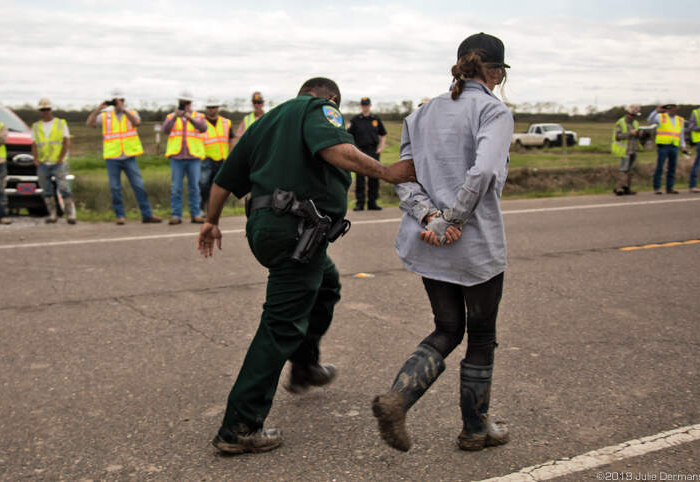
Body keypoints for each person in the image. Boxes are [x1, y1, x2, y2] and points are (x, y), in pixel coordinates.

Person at [197, 77, 416, 454]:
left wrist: (211, 221)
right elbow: (334, 148)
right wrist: (387, 172)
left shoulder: (264, 123)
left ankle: (305, 365)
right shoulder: (318, 108)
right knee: (280, 324)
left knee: (326, 283)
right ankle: (239, 426)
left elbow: (224, 180)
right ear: (331, 99)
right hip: (296, 230)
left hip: (268, 229)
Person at [371, 32, 512, 453]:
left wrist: (430, 218)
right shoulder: (494, 112)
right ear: (497, 73)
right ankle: (475, 429)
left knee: (448, 327)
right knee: (481, 335)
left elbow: (405, 176)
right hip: (474, 244)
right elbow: (483, 173)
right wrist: (453, 218)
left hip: (430, 240)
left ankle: (398, 399)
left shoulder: (423, 113)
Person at [86, 89, 161, 225]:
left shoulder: (131, 113)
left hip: (129, 156)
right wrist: (98, 109)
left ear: (124, 101)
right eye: (115, 101)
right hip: (112, 157)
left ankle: (147, 215)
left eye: (120, 100)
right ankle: (120, 216)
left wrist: (124, 109)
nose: (117, 103)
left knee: (138, 186)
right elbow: (89, 123)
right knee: (115, 188)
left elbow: (137, 122)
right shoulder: (105, 116)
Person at [162, 97, 207, 224]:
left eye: (187, 103)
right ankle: (176, 215)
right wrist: (175, 117)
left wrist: (190, 118)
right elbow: (165, 129)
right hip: (176, 158)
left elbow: (203, 128)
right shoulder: (171, 116)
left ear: (191, 103)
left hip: (194, 157)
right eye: (183, 103)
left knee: (194, 188)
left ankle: (196, 214)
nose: (185, 105)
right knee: (176, 188)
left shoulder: (198, 116)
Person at [31, 98, 76, 224]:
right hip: (43, 162)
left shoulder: (61, 123)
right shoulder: (36, 126)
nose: (45, 112)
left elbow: (66, 141)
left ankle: (70, 214)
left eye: (47, 109)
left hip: (58, 162)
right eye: (42, 109)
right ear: (40, 111)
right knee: (46, 189)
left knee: (64, 187)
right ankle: (52, 214)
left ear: (51, 110)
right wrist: (35, 159)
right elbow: (34, 144)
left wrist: (61, 158)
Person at [347, 97, 387, 210]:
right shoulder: (355, 120)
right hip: (360, 152)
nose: (365, 107)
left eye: (367, 105)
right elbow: (348, 136)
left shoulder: (375, 119)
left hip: (373, 151)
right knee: (360, 178)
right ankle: (359, 203)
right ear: (361, 106)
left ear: (370, 106)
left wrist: (381, 148)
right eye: (363, 105)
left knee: (374, 177)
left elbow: (383, 135)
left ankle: (372, 203)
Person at [647, 103, 689, 194]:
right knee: (660, 167)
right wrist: (656, 110)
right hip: (663, 145)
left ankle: (670, 188)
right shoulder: (660, 117)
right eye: (669, 108)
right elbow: (649, 120)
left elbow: (681, 134)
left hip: (674, 146)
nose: (671, 110)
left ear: (676, 109)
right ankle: (657, 187)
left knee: (672, 168)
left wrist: (683, 146)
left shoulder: (680, 120)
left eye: (673, 108)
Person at [200, 100, 234, 211]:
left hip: (222, 159)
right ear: (206, 108)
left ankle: (214, 209)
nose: (211, 109)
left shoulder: (226, 122)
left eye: (214, 107)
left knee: (219, 186)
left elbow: (231, 139)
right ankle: (203, 207)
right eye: (209, 107)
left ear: (218, 108)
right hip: (206, 159)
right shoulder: (201, 123)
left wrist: (231, 155)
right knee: (203, 184)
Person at [611, 104, 641, 196]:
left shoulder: (635, 123)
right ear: (628, 114)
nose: (634, 117)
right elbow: (618, 136)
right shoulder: (621, 122)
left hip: (633, 149)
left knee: (629, 170)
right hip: (624, 150)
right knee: (623, 169)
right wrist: (630, 133)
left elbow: (636, 136)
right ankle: (619, 188)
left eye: (635, 115)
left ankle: (627, 188)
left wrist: (639, 134)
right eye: (633, 115)